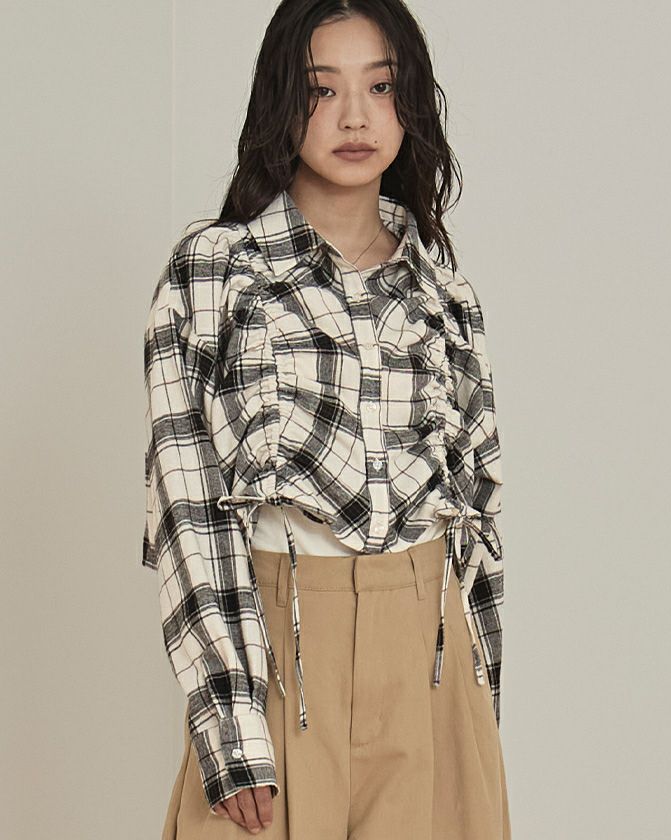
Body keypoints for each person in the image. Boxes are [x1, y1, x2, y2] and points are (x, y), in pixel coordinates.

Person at [142, 1, 511, 838]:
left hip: (430, 659)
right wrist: (230, 727)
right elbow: (187, 507)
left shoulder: (445, 297)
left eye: (380, 87)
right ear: (282, 100)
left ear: (410, 105)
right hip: (280, 653)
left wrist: (480, 713)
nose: (354, 117)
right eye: (321, 89)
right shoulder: (215, 273)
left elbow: (479, 524)